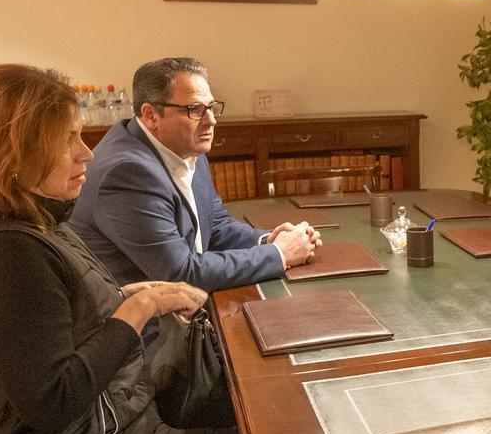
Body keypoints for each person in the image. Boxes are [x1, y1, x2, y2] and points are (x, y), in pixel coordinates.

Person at [0, 64, 237, 434]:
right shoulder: (9, 250)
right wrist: (141, 306)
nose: (88, 153)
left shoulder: (42, 220)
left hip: (113, 429)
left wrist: (124, 296)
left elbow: (56, 319)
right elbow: (52, 402)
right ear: (13, 155)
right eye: (67, 141)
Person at [70, 58, 320, 293]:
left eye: (211, 108)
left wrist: (268, 239)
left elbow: (215, 227)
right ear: (150, 115)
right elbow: (180, 272)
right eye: (194, 110)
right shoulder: (127, 172)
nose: (210, 121)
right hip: (147, 328)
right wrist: (279, 254)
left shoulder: (188, 148)